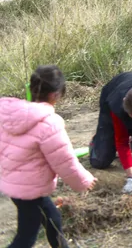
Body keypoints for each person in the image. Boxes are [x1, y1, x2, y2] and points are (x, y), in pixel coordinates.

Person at [1, 66, 95, 248]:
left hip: (14, 183)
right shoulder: (49, 124)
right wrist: (84, 181)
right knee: (25, 237)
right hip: (30, 189)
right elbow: (65, 162)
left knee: (52, 219)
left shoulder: (9, 114)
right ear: (56, 94)